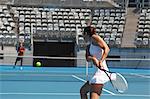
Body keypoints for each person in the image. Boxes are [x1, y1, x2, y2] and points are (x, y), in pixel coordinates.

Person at [80, 26, 110, 99]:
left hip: (100, 74)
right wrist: (93, 59)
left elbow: (107, 49)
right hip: (95, 73)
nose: (83, 37)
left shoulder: (94, 37)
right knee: (83, 91)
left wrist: (101, 61)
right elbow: (87, 58)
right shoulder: (88, 47)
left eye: (83, 35)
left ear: (86, 33)